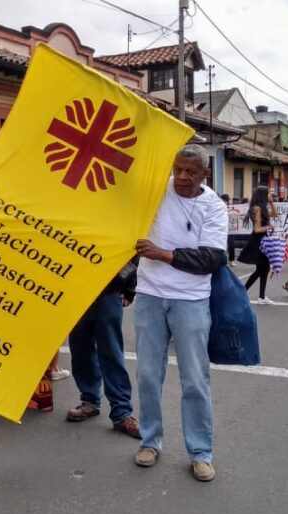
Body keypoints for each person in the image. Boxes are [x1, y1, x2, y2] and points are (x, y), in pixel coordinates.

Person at [133, 144, 227, 482]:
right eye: (177, 169)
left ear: (205, 174)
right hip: (149, 295)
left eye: (190, 172)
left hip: (191, 300)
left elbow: (211, 259)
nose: (182, 177)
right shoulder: (157, 191)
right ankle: (150, 441)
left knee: (195, 380)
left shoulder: (214, 207)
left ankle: (201, 452)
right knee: (146, 375)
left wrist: (162, 254)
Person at [65, 257, 140, 439]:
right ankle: (90, 400)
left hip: (107, 292)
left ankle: (121, 412)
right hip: (76, 289)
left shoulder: (121, 226)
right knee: (80, 349)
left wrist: (128, 287)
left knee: (111, 352)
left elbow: (130, 250)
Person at [238, 186, 277, 304]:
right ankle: (245, 293)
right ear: (262, 194)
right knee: (262, 269)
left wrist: (271, 202)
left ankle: (260, 296)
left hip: (263, 240)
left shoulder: (262, 208)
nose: (271, 195)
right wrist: (268, 227)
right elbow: (257, 229)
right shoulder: (257, 209)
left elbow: (275, 214)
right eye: (269, 194)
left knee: (263, 269)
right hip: (258, 241)